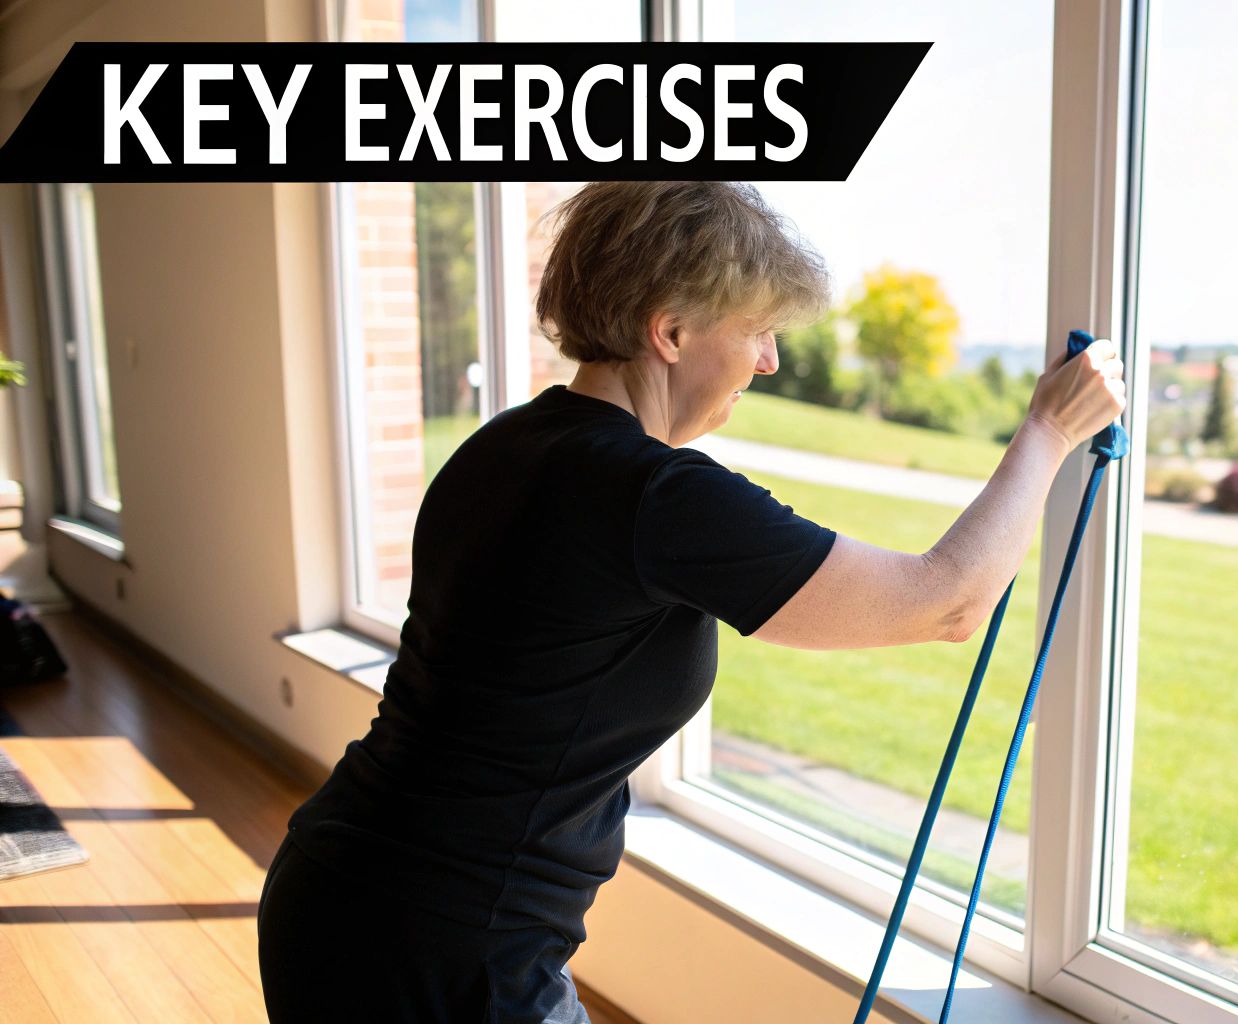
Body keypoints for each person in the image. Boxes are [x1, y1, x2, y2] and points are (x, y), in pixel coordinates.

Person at [256, 180, 1125, 1023]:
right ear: (669, 330)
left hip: (338, 885)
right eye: (757, 331)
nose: (770, 359)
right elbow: (947, 603)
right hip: (446, 953)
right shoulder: (655, 497)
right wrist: (1049, 431)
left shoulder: (506, 444)